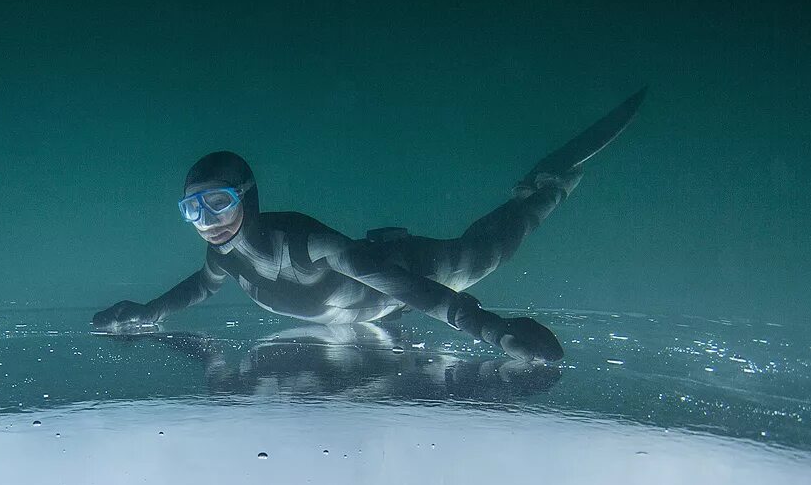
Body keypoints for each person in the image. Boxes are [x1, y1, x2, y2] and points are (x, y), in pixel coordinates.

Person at [92, 89, 646, 362]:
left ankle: (545, 188)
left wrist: (490, 328)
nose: (206, 221)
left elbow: (399, 285)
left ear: (248, 197)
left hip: (403, 269)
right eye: (192, 209)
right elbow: (199, 287)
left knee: (489, 250)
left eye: (216, 202)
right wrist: (147, 312)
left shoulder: (304, 242)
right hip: (370, 313)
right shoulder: (222, 256)